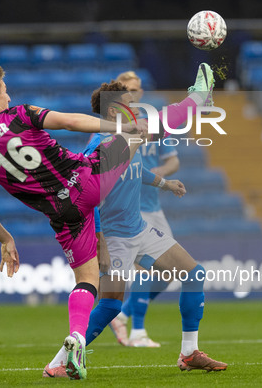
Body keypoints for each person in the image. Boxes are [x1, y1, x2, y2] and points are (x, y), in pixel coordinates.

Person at [44, 64, 227, 378]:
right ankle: (58, 362)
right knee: (111, 305)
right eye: (128, 106)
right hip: (115, 238)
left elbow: (144, 157)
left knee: (193, 273)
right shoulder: (102, 147)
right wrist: (99, 244)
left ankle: (189, 352)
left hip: (140, 228)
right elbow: (91, 199)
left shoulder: (126, 136)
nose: (134, 111)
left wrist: (164, 183)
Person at [0, 67, 145, 380]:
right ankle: (192, 105)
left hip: (63, 215)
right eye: (4, 90)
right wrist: (119, 124)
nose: (8, 95)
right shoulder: (20, 114)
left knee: (86, 281)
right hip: (87, 180)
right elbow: (72, 121)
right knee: (139, 132)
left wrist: (6, 240)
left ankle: (75, 338)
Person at [109, 70, 183, 348]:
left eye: (137, 89)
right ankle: (137, 331)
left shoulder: (153, 124)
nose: (134, 93)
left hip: (153, 206)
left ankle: (124, 314)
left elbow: (172, 161)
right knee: (147, 271)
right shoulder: (109, 125)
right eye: (128, 88)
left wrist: (158, 177)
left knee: (171, 272)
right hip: (128, 209)